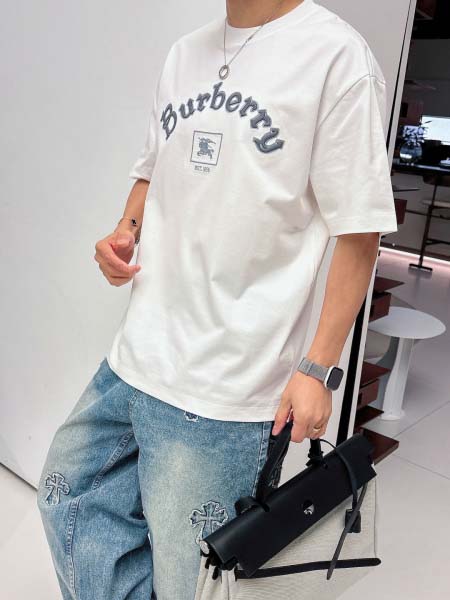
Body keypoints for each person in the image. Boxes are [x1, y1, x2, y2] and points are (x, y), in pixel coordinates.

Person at [37, 1, 398, 598]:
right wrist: (126, 230)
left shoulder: (336, 56)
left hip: (229, 386)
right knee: (67, 496)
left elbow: (359, 231)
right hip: (136, 355)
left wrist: (317, 368)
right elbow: (152, 168)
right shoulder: (186, 52)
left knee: (188, 577)